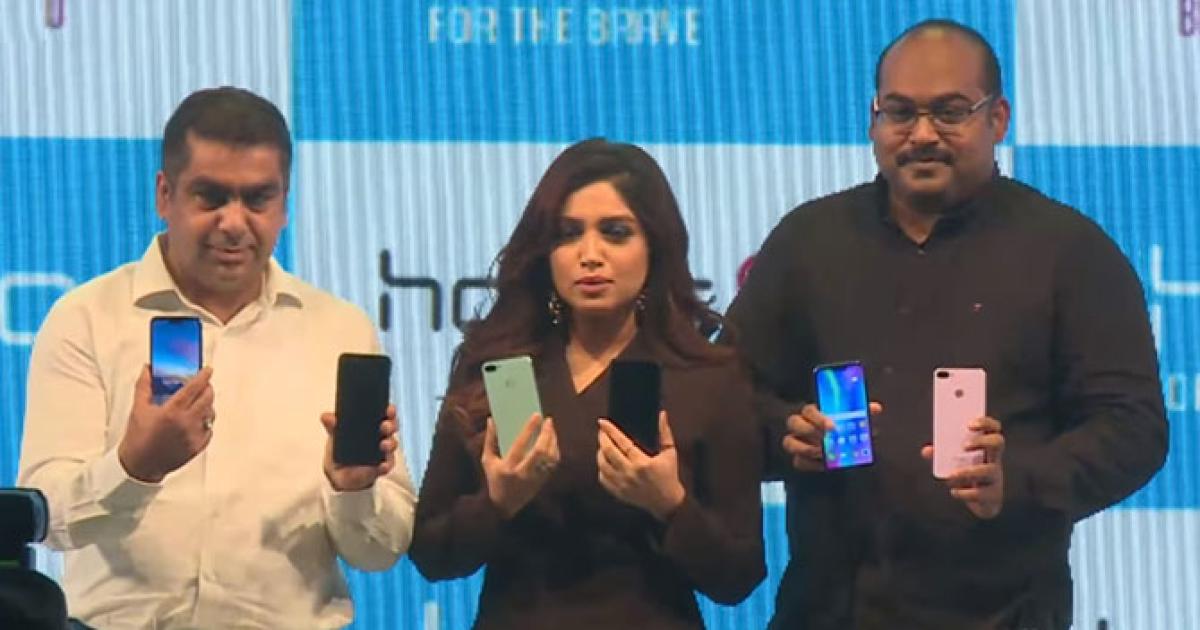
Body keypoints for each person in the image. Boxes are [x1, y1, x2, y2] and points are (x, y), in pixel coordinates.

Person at [727, 19, 1168, 630]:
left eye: (950, 112)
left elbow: (1134, 429)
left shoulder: (1070, 252)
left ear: (998, 119)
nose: (922, 134)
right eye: (899, 112)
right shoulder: (808, 242)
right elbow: (722, 397)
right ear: (873, 120)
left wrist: (1018, 480)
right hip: (828, 609)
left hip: (1005, 612)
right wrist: (786, 435)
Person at [17, 87, 416, 628]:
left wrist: (354, 490)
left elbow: (380, 551)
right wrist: (134, 466)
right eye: (210, 197)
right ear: (165, 195)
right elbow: (44, 515)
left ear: (284, 205)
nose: (233, 222)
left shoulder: (339, 329)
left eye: (257, 199)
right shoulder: (87, 318)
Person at [410, 138, 765, 628]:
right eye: (568, 234)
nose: (590, 255)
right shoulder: (500, 368)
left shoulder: (708, 378)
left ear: (654, 245)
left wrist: (670, 505)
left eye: (615, 233)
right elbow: (431, 553)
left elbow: (739, 576)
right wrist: (497, 502)